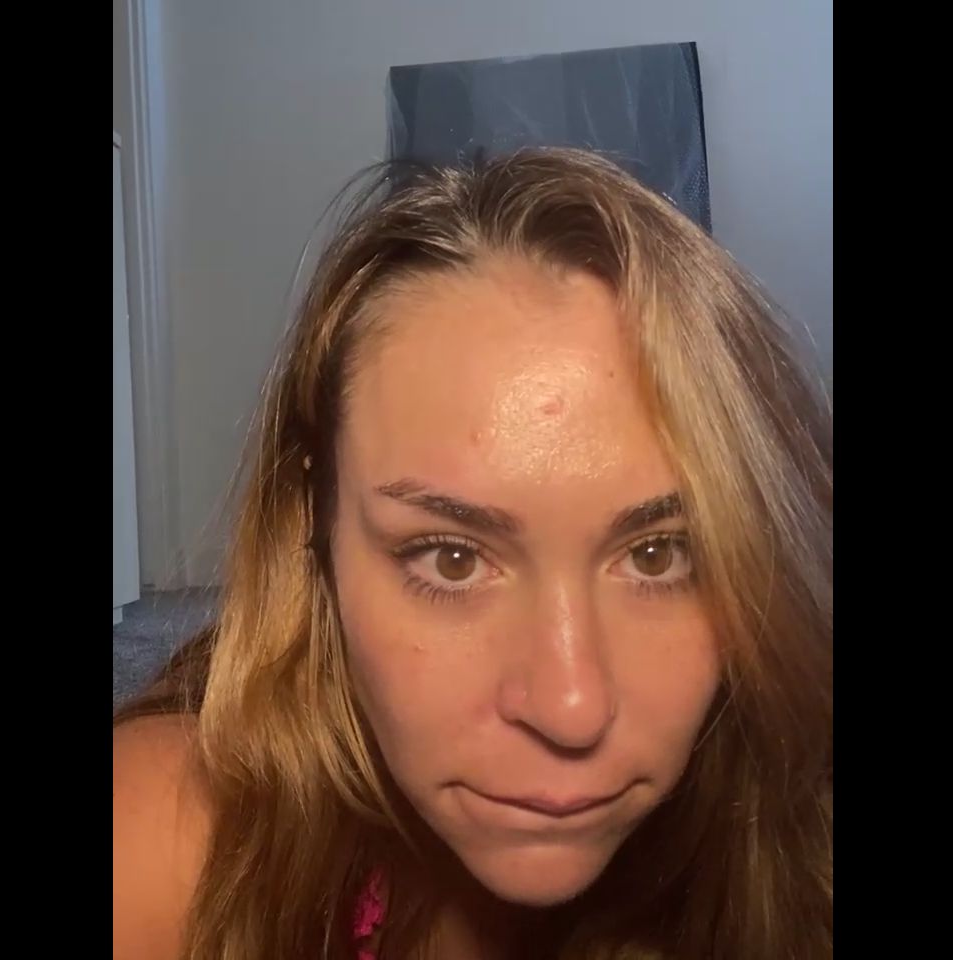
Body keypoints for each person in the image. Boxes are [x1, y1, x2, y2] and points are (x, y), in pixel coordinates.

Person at [113, 147, 833, 960]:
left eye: (659, 556)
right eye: (451, 560)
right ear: (314, 531)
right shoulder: (170, 848)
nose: (570, 707)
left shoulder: (798, 855)